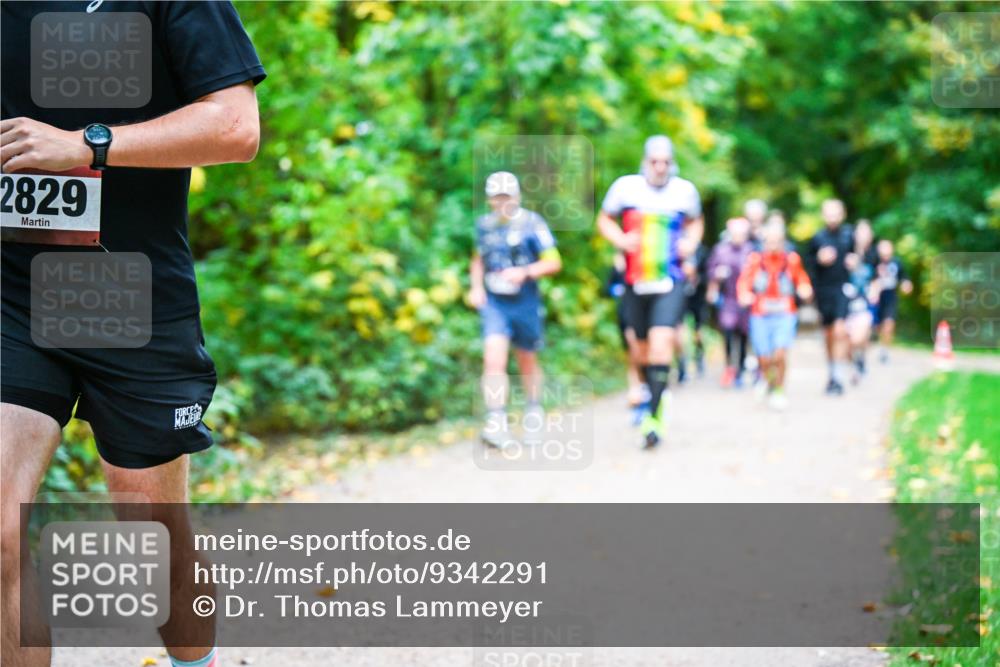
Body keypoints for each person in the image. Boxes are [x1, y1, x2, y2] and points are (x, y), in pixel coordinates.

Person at [1, 3, 265, 666]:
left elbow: (236, 127)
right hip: (10, 294)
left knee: (156, 540)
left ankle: (193, 661)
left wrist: (88, 144)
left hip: (129, 296)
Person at [596, 135, 703, 448]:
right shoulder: (625, 188)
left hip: (670, 281)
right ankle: (652, 394)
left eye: (665, 162)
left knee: (661, 344)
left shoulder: (685, 192)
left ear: (672, 163)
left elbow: (696, 223)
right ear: (645, 162)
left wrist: (691, 243)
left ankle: (653, 418)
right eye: (655, 161)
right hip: (635, 281)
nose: (660, 167)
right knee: (639, 349)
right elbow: (604, 219)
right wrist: (619, 240)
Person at [468, 172, 562, 448]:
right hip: (496, 303)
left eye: (506, 197)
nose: (502, 202)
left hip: (525, 302)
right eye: (497, 198)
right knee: (493, 359)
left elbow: (554, 261)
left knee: (526, 359)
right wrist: (476, 287)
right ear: (489, 200)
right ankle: (496, 421)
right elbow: (477, 259)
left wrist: (525, 272)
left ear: (517, 196)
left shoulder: (533, 224)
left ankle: (534, 412)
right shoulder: (484, 226)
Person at [737, 221, 813, 411]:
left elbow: (802, 279)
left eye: (776, 241)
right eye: (769, 241)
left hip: (784, 313)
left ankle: (779, 389)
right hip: (760, 314)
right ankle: (767, 381)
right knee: (764, 358)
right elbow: (744, 282)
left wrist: (805, 289)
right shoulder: (755, 259)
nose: (773, 245)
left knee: (779, 354)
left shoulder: (792, 259)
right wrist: (744, 295)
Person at [807, 198, 855, 396]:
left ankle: (838, 375)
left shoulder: (848, 236)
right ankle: (832, 372)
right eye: (829, 213)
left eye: (836, 213)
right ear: (823, 215)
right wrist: (819, 260)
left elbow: (858, 258)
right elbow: (807, 265)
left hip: (842, 289)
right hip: (823, 291)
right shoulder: (817, 238)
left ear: (842, 214)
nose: (833, 217)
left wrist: (854, 261)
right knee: (828, 333)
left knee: (840, 330)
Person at [707, 216, 755, 388]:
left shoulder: (751, 250)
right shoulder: (720, 250)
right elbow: (710, 271)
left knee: (743, 335)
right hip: (727, 299)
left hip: (745, 301)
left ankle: (741, 370)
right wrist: (715, 281)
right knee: (727, 333)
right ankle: (729, 367)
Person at [606, 253, 650, 425]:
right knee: (632, 354)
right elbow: (607, 288)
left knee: (642, 352)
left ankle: (647, 391)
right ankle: (636, 390)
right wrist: (616, 285)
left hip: (643, 316)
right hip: (625, 314)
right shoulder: (617, 266)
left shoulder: (646, 263)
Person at [843, 220, 878, 383]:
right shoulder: (845, 250)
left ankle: (861, 358)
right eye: (860, 232)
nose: (863, 236)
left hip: (864, 302)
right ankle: (855, 365)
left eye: (866, 232)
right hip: (845, 303)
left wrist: (874, 290)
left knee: (860, 337)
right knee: (847, 341)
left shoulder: (873, 255)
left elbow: (877, 278)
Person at [872, 238, 913, 363]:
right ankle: (878, 341)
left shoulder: (897, 263)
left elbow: (904, 278)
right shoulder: (874, 262)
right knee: (877, 326)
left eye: (887, 248)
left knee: (889, 323)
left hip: (891, 297)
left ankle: (885, 350)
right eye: (882, 248)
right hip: (876, 299)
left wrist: (906, 285)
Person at [676, 234, 709, 384]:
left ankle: (699, 357)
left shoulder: (702, 252)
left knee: (698, 331)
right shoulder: (673, 249)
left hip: (698, 297)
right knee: (679, 332)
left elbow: (709, 274)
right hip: (680, 296)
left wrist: (696, 278)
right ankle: (682, 367)